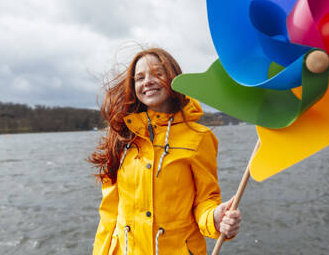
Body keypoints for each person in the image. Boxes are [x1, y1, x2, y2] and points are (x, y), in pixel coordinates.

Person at [88, 48, 241, 255]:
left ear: (174, 78)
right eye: (139, 77)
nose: (147, 81)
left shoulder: (199, 137)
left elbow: (205, 200)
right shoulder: (123, 137)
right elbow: (109, 213)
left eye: (158, 73)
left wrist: (214, 218)